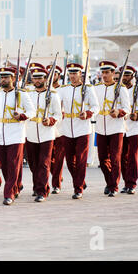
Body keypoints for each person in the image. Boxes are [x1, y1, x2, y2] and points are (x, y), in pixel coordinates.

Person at [0, 66, 35, 205]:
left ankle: (8, 193)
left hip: (16, 133)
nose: (3, 79)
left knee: (14, 164)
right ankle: (14, 186)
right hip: (0, 133)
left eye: (6, 77)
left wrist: (22, 116)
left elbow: (32, 111)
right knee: (4, 165)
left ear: (12, 78)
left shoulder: (21, 94)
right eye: (2, 77)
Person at [58, 63, 99, 199]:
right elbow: (57, 104)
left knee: (81, 159)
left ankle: (78, 188)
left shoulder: (88, 89)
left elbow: (95, 106)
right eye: (71, 73)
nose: (73, 76)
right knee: (70, 161)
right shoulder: (64, 89)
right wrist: (60, 112)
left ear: (80, 74)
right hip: (67, 128)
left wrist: (87, 113)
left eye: (75, 73)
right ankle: (80, 180)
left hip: (82, 127)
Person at [25, 64, 62, 202]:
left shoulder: (53, 95)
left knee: (44, 163)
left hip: (46, 132)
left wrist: (51, 120)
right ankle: (37, 186)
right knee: (33, 163)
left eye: (40, 78)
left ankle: (42, 191)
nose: (37, 80)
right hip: (31, 131)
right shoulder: (28, 94)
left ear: (46, 78)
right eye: (35, 78)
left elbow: (58, 115)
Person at [94, 61, 130, 197]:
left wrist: (119, 112)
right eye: (102, 72)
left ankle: (113, 186)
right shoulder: (97, 88)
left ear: (113, 73)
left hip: (116, 126)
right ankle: (109, 182)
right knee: (102, 159)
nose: (104, 75)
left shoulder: (121, 89)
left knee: (115, 158)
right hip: (101, 127)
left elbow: (127, 108)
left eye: (107, 72)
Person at [121, 66, 138, 194]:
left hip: (134, 127)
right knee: (121, 157)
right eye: (123, 75)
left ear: (133, 76)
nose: (125, 77)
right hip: (120, 126)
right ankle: (126, 182)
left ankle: (132, 183)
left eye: (127, 75)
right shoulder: (119, 90)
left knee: (133, 156)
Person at [49, 64, 66, 194]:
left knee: (59, 158)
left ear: (58, 76)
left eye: (53, 74)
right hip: (46, 128)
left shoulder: (63, 90)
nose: (50, 76)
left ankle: (56, 184)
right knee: (48, 159)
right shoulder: (44, 90)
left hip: (60, 128)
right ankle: (57, 176)